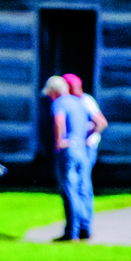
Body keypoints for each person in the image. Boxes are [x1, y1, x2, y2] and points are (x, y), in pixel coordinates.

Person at [48, 72, 106, 241]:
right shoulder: (80, 102)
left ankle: (73, 232)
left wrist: (60, 141)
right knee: (83, 189)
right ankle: (85, 228)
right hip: (81, 149)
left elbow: (60, 121)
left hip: (74, 149)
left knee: (71, 190)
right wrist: (82, 140)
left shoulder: (64, 102)